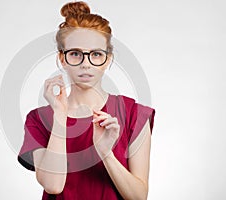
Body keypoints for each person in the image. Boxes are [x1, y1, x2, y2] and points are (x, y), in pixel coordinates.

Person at [17, 1, 155, 199]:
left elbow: (138, 196)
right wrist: (60, 117)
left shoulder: (134, 114)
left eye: (96, 54)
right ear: (62, 58)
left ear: (107, 59)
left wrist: (106, 153)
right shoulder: (38, 119)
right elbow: (54, 186)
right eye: (75, 54)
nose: (85, 64)